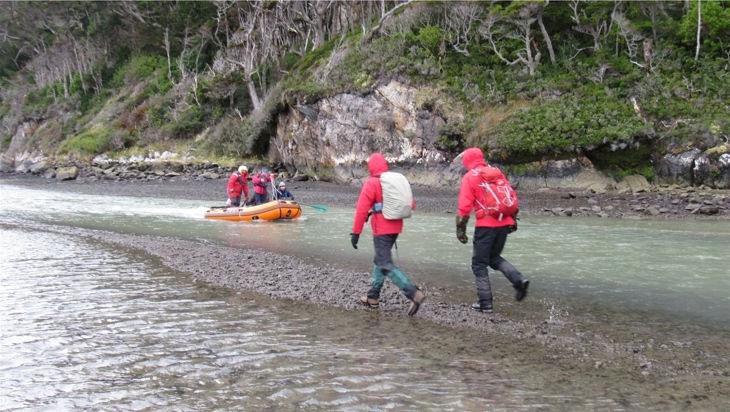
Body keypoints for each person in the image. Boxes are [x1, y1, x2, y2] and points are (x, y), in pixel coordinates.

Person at [350, 153, 426, 316]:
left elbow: (361, 209)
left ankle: (413, 293)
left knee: (384, 262)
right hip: (396, 226)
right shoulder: (393, 181)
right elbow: (411, 204)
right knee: (380, 259)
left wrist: (356, 232)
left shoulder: (372, 182)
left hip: (382, 229)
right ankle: (373, 297)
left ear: (371, 167)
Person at [455, 147, 529, 313]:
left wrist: (460, 232)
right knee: (493, 258)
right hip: (504, 223)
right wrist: (513, 222)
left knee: (479, 264)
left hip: (486, 226)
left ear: (467, 161)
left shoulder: (470, 177)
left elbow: (464, 207)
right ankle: (519, 280)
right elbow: (510, 196)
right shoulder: (497, 173)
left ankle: (485, 303)